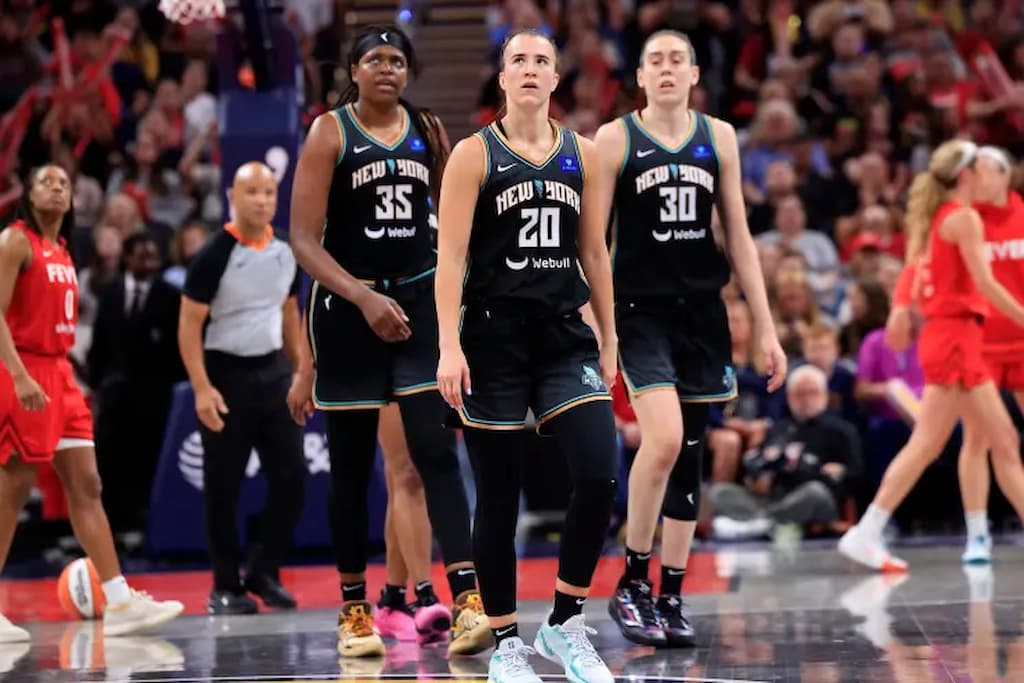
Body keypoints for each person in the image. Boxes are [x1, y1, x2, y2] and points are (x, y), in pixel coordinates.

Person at [289, 26, 486, 658]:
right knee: (349, 467)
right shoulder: (329, 131)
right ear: (353, 68)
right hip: (349, 312)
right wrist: (363, 297)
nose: (386, 69)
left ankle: (467, 600)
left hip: (418, 304)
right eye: (374, 59)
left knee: (433, 453)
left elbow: (451, 225)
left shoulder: (427, 130)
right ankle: (353, 612)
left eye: (397, 60)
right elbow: (303, 240)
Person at [592, 30, 786, 647]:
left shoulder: (719, 137)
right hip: (638, 311)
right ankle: (631, 580)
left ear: (696, 73)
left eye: (678, 60)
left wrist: (766, 325)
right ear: (641, 77)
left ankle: (672, 593)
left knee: (691, 456)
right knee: (666, 437)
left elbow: (739, 237)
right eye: (656, 61)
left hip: (702, 313)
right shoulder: (616, 138)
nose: (668, 69)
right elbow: (592, 242)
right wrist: (600, 327)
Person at [436, 28, 618, 683]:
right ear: (504, 76)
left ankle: (565, 622)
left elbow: (594, 251)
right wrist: (449, 345)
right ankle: (509, 641)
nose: (533, 69)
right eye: (521, 60)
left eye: (543, 60)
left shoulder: (585, 153)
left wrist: (611, 334)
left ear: (556, 76)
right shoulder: (472, 154)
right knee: (498, 493)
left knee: (599, 469)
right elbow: (450, 258)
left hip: (564, 334)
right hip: (492, 337)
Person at [0, 165, 183, 642]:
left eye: (64, 182)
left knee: (88, 484)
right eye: (47, 181)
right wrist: (17, 376)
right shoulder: (14, 241)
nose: (57, 187)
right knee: (13, 489)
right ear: (29, 192)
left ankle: (119, 599)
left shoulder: (61, 248)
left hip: (61, 375)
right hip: (26, 369)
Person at [839, 140, 1024, 571]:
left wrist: (903, 309)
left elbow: (914, 271)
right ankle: (867, 531)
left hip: (948, 339)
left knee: (929, 444)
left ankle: (866, 531)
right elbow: (987, 283)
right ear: (965, 175)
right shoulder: (964, 219)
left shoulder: (938, 217)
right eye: (978, 167)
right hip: (958, 339)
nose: (985, 175)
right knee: (1000, 441)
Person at [178, 162, 308, 614]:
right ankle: (225, 585)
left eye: (269, 192)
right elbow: (188, 325)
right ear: (233, 195)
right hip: (225, 376)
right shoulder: (214, 253)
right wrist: (201, 388)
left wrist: (300, 372)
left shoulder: (288, 249)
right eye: (252, 192)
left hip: (273, 375)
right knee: (223, 487)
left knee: (292, 477)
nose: (261, 200)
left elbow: (291, 313)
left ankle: (263, 571)